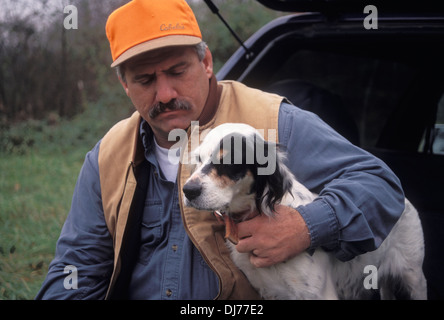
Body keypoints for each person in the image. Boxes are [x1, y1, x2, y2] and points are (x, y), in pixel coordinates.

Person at [36, 0, 405, 300]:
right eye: (145, 80)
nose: (164, 94)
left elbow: (381, 187)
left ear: (206, 63)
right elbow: (77, 269)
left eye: (177, 70)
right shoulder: (107, 157)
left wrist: (306, 226)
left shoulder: (272, 126)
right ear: (124, 85)